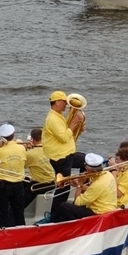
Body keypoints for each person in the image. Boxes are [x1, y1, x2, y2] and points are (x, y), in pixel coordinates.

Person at [43, 90, 83, 220]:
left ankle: (83, 191)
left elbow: (68, 132)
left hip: (67, 154)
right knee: (62, 190)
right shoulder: (53, 119)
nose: (67, 105)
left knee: (86, 162)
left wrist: (78, 125)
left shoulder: (58, 115)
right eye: (64, 102)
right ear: (57, 102)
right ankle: (55, 217)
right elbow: (64, 137)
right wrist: (73, 122)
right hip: (61, 157)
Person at [51, 153, 117, 222]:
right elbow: (95, 191)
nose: (85, 170)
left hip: (99, 213)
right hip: (108, 208)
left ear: (91, 170)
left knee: (64, 206)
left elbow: (77, 202)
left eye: (86, 168)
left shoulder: (97, 184)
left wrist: (80, 184)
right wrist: (79, 185)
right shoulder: (108, 174)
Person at [0, 123, 27, 228]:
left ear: (1, 138)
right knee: (19, 212)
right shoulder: (22, 148)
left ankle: (4, 230)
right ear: (13, 135)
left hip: (2, 185)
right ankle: (21, 231)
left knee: (2, 212)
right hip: (18, 184)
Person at [23, 127, 54, 210]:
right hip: (52, 182)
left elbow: (20, 166)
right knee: (23, 181)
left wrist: (25, 149)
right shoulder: (49, 149)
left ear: (32, 139)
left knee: (18, 204)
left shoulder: (30, 154)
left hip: (39, 184)